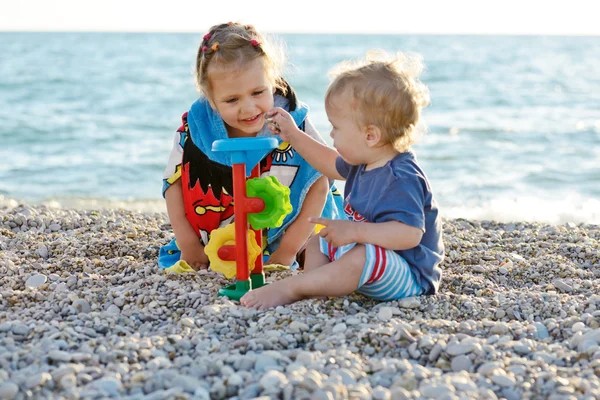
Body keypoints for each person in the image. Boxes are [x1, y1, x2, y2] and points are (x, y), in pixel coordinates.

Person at [241, 50, 444, 309]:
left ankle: (294, 287)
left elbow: (410, 235)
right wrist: (292, 134)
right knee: (317, 242)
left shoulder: (402, 177)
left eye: (336, 127)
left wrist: (355, 231)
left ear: (370, 135)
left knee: (363, 256)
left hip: (409, 274)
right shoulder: (363, 162)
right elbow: (327, 161)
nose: (331, 134)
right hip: (373, 260)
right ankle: (316, 290)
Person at [159, 22, 343, 272]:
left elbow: (319, 181)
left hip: (296, 229)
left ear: (273, 82)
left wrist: (286, 252)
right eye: (232, 99)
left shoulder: (292, 123)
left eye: (258, 92)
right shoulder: (197, 129)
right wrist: (188, 244)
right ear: (209, 98)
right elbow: (174, 183)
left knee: (321, 252)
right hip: (222, 233)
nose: (248, 108)